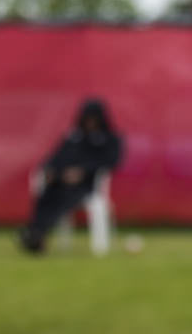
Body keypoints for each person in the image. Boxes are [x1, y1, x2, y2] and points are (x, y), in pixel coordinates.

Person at [18, 97, 125, 255]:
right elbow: (55, 158)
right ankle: (35, 233)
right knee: (45, 197)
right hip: (60, 183)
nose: (90, 122)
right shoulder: (73, 138)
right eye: (87, 118)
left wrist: (82, 172)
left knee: (63, 200)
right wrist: (50, 170)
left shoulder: (110, 139)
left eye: (93, 119)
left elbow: (111, 162)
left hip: (86, 187)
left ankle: (37, 234)